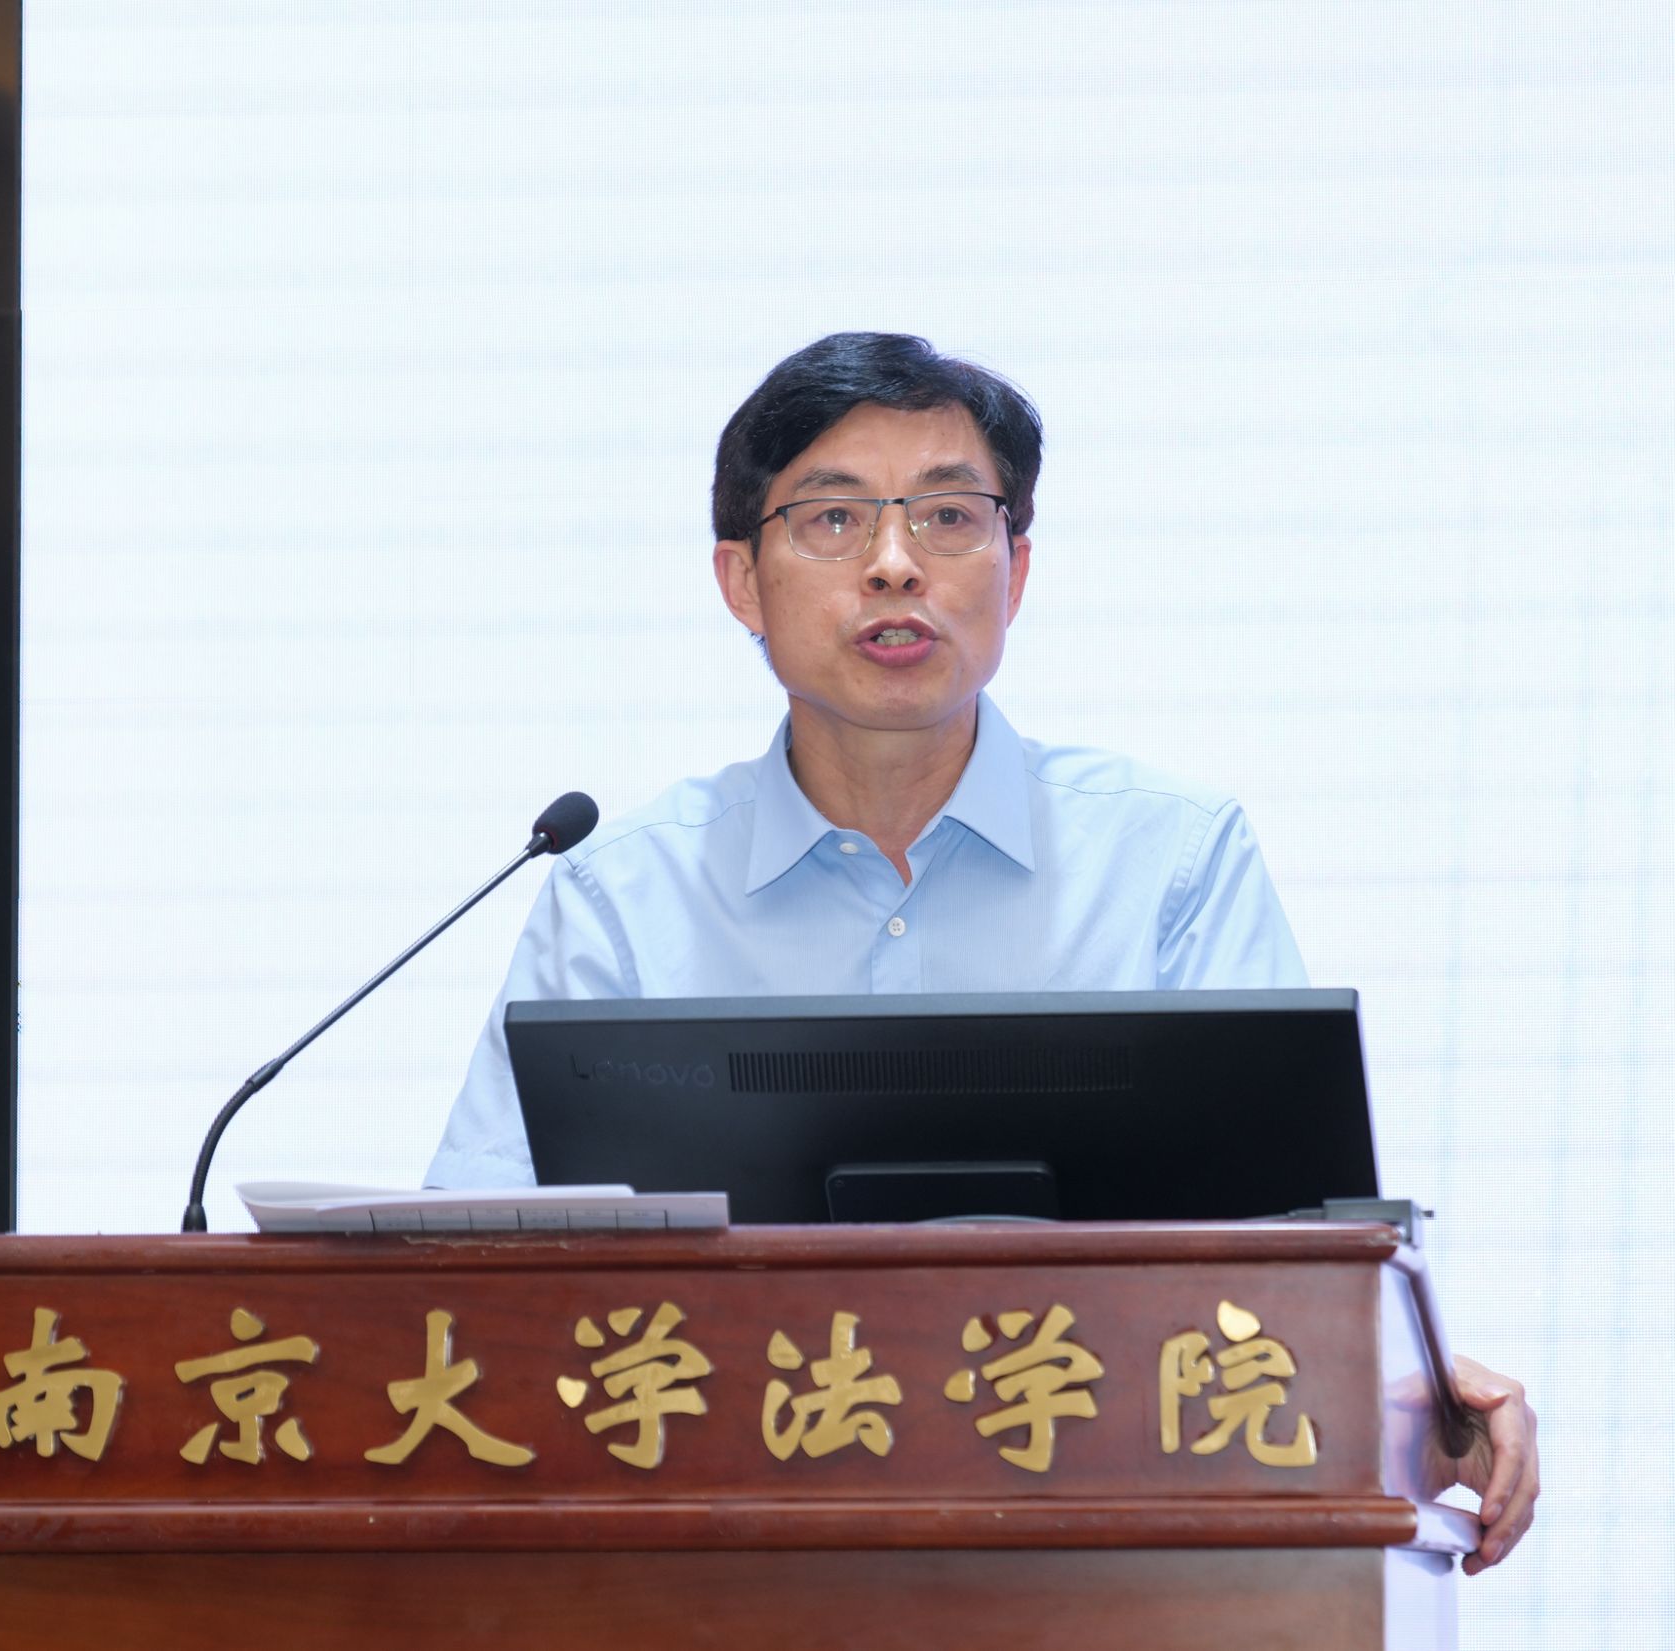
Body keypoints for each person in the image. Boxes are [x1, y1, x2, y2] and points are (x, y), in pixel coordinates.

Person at [429, 331, 1538, 1572]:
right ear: (740, 579)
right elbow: (472, 1271)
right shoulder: (620, 893)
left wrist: (1407, 1390)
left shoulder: (1168, 861)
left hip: (1103, 1550)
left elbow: (1292, 1243)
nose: (894, 564)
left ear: (1014, 571)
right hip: (716, 1554)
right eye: (833, 519)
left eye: (948, 516)